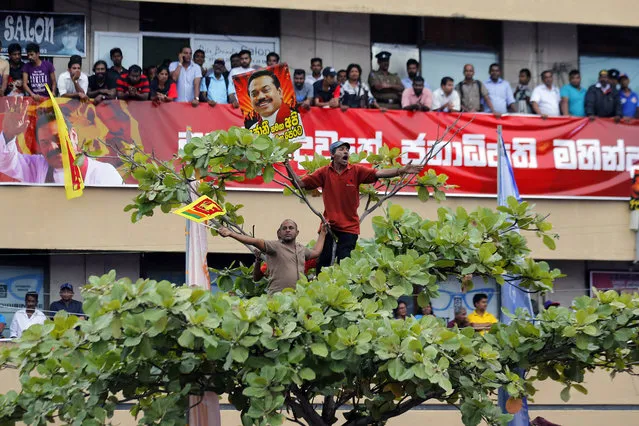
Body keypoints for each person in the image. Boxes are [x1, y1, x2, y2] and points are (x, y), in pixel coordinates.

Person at [288, 140, 423, 272]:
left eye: (347, 150)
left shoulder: (356, 170)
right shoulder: (324, 172)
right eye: (341, 149)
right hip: (329, 225)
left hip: (349, 227)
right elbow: (299, 184)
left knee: (345, 265)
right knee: (323, 263)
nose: (346, 151)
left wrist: (401, 170)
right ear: (333, 155)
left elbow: (379, 173)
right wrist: (286, 164)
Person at [0, 97, 124, 185]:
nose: (52, 147)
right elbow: (6, 163)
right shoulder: (36, 167)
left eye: (58, 138)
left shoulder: (104, 174)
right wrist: (8, 135)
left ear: (74, 136)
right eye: (45, 142)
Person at [218, 220, 327, 294]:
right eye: (284, 228)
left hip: (298, 296)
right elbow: (255, 241)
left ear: (297, 232)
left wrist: (322, 233)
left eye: (291, 228)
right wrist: (231, 234)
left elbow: (316, 252)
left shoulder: (301, 249)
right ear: (279, 233)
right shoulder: (274, 246)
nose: (288, 230)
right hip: (277, 297)